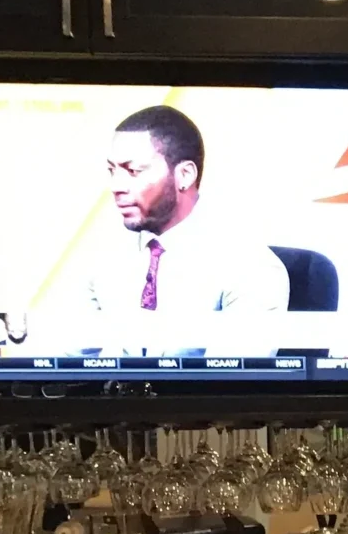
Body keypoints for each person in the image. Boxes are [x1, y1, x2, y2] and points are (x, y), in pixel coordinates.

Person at [74, 105, 289, 356]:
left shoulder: (251, 267)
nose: (116, 186)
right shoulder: (102, 257)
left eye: (133, 171)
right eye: (112, 171)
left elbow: (230, 385)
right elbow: (65, 359)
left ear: (185, 175)